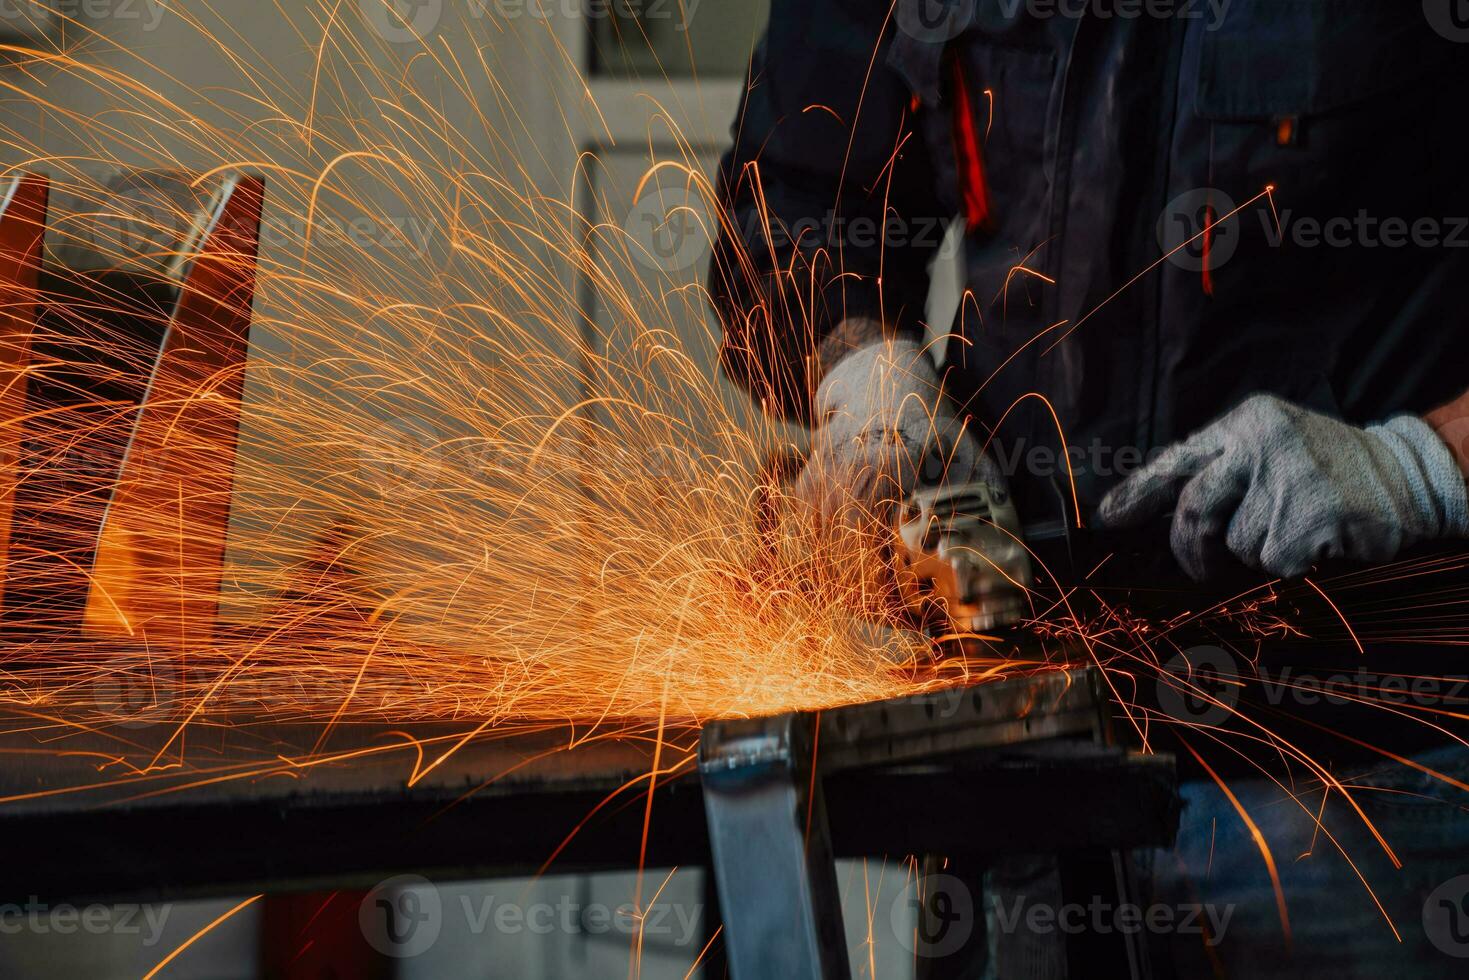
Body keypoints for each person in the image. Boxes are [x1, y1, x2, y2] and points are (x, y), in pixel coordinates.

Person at [707, 2, 1469, 976]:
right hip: (1021, 743)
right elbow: (797, 196)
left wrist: (1420, 465)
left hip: (1365, 761)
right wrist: (866, 382)